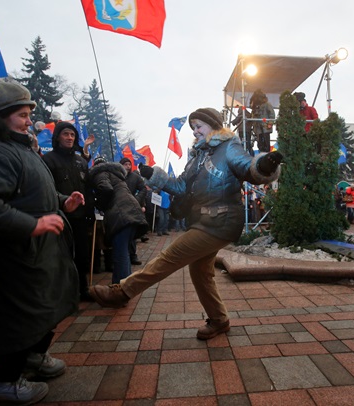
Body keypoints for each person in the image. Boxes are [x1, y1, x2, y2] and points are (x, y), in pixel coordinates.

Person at [89, 107, 282, 340]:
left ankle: (122, 292)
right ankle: (219, 320)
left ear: (215, 126)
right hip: (202, 220)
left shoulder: (229, 146)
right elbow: (180, 186)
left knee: (170, 256)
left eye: (199, 125)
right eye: (193, 127)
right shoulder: (197, 156)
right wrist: (155, 175)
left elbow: (247, 168)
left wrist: (264, 166)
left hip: (221, 221)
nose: (195, 131)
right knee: (200, 272)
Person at [0, 81, 83, 405]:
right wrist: (32, 224)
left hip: (34, 252)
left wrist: (62, 202)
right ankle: (2, 381)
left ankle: (34, 358)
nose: (28, 121)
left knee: (47, 307)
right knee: (20, 318)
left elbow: (27, 192)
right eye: (21, 114)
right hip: (11, 255)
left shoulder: (18, 147)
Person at [42, 122, 95, 302]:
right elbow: (47, 189)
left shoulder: (81, 161)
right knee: (61, 256)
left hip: (80, 218)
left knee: (82, 254)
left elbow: (88, 188)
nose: (69, 138)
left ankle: (83, 288)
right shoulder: (48, 160)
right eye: (66, 134)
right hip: (59, 216)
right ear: (57, 137)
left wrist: (90, 211)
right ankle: (64, 292)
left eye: (72, 135)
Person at [88, 158, 149, 284]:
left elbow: (106, 189)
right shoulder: (117, 175)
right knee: (124, 252)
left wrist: (98, 204)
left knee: (120, 254)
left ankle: (119, 289)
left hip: (121, 214)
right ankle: (126, 286)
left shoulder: (101, 174)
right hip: (131, 211)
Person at [119, 157, 147, 265]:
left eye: (129, 164)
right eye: (125, 164)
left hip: (131, 208)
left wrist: (137, 200)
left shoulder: (135, 177)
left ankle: (132, 256)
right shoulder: (116, 176)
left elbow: (143, 189)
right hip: (119, 208)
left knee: (131, 232)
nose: (128, 166)